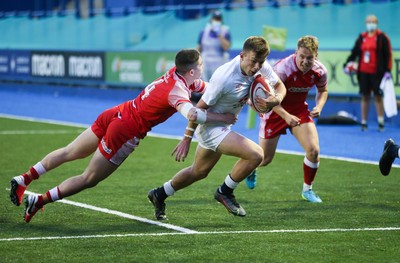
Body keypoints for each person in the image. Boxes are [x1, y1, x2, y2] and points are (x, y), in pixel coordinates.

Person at [9, 49, 238, 223]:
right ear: (191, 71)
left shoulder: (177, 76)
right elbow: (193, 113)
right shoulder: (177, 90)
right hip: (126, 130)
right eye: (200, 66)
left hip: (117, 112)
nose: (203, 68)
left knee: (70, 151)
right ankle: (37, 200)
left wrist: (232, 89)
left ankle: (24, 179)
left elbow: (206, 87)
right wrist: (223, 119)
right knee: (90, 178)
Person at [147, 36, 286, 220]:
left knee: (199, 172)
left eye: (260, 63)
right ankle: (225, 192)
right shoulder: (224, 77)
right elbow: (198, 110)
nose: (256, 67)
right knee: (256, 154)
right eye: (253, 62)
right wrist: (186, 138)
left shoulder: (261, 65)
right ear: (242, 55)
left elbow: (279, 86)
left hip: (224, 125)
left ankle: (160, 193)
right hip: (210, 126)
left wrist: (276, 99)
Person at [245, 35, 328, 203]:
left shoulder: (320, 71)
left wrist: (319, 107)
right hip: (274, 110)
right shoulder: (283, 69)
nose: (305, 61)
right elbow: (270, 98)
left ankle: (307, 190)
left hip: (299, 110)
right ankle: (250, 168)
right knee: (265, 159)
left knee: (313, 151)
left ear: (316, 56)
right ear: (296, 53)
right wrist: (286, 116)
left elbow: (323, 90)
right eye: (302, 56)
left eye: (309, 58)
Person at [343, 14, 392, 132]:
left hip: (377, 73)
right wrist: (347, 64)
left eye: (373, 21)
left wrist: (388, 70)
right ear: (366, 23)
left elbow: (388, 55)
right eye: (369, 21)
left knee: (378, 97)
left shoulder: (382, 37)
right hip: (363, 73)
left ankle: (381, 122)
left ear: (376, 23)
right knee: (365, 97)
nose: (371, 23)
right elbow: (354, 53)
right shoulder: (362, 37)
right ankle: (364, 122)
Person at [197, 10, 231, 82]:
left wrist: (219, 35)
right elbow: (199, 48)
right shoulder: (204, 32)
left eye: (218, 19)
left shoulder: (225, 32)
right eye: (215, 19)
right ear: (211, 19)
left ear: (221, 21)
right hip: (205, 63)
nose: (216, 21)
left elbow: (226, 47)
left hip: (219, 63)